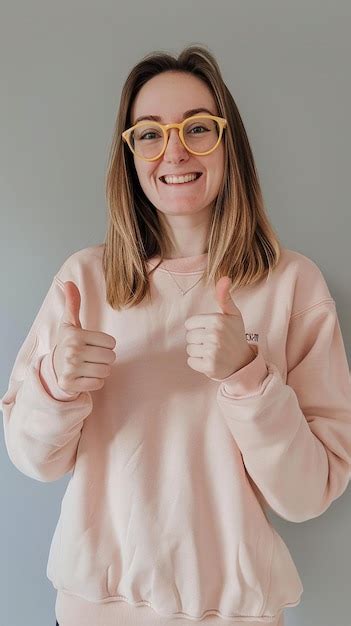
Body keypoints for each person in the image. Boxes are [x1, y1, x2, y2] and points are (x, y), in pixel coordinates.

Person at [2, 44, 351, 626]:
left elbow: (308, 492)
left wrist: (248, 377)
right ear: (131, 154)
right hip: (92, 614)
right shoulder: (84, 281)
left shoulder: (294, 285)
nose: (175, 151)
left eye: (197, 129)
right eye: (149, 134)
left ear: (227, 141)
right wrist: (56, 386)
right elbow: (32, 459)